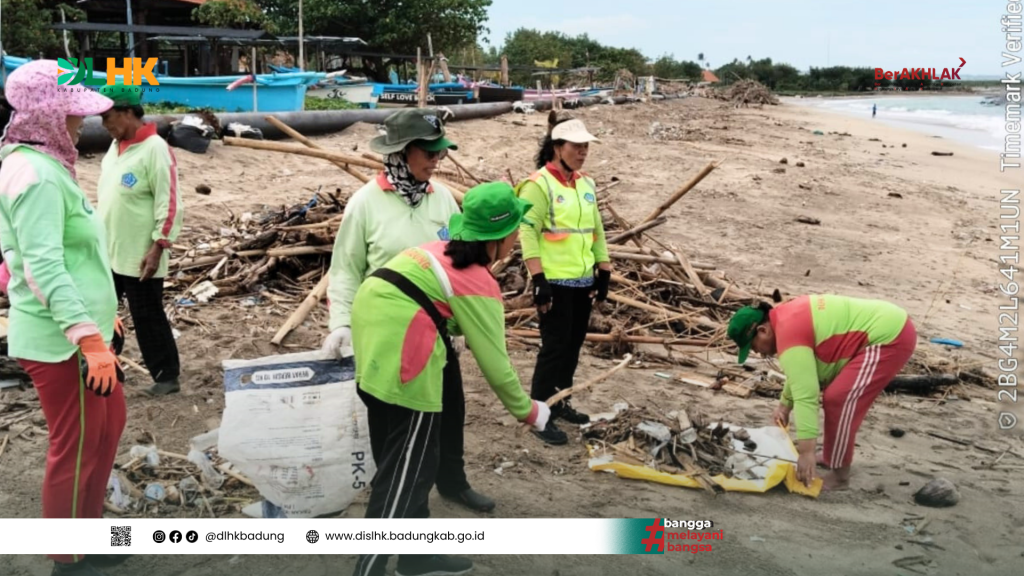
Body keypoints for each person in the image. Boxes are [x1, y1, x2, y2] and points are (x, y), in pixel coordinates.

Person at [349, 182, 550, 576]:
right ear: (501, 235)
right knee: (402, 477)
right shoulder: (478, 281)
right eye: (516, 230)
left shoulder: (435, 251)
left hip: (371, 335)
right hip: (406, 354)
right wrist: (529, 411)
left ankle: (417, 555)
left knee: (408, 462)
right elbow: (496, 364)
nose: (516, 239)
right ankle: (367, 568)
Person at [321, 108, 497, 513]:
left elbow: (460, 262)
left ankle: (453, 481)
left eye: (440, 151)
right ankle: (399, 497)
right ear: (402, 152)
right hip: (387, 335)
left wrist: (463, 323)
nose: (437, 159)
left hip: (436, 332)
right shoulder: (366, 203)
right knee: (391, 422)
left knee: (450, 411)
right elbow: (345, 270)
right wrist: (341, 324)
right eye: (429, 151)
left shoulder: (443, 202)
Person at [0, 59, 127, 576]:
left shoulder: (48, 165)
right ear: (49, 117)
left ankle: (88, 534)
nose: (82, 124)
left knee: (107, 428)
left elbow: (73, 259)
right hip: (61, 341)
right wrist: (87, 338)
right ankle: (67, 558)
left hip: (86, 330)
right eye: (73, 115)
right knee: (75, 446)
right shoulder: (36, 175)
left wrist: (105, 318)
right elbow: (42, 266)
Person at [727, 294, 917, 491]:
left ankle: (840, 476)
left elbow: (806, 394)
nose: (759, 353)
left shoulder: (787, 333)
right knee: (836, 396)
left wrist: (806, 452)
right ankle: (830, 456)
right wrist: (784, 405)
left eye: (753, 346)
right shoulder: (784, 318)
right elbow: (802, 372)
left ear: (763, 330)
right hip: (884, 326)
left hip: (889, 337)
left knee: (839, 400)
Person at [516, 112, 612, 445]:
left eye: (586, 146)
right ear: (557, 147)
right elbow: (527, 231)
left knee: (572, 347)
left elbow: (596, 228)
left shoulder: (586, 184)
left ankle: (562, 402)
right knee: (554, 348)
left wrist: (604, 269)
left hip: (583, 281)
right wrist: (538, 278)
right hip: (554, 281)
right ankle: (541, 414)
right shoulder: (538, 184)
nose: (583, 152)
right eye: (576, 146)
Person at [96, 79, 183, 396]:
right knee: (103, 309)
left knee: (147, 315)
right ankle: (104, 366)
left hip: (141, 252)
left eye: (108, 117)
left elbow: (170, 202)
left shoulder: (156, 149)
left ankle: (166, 376)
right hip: (110, 248)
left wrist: (158, 247)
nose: (104, 124)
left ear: (128, 113)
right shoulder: (114, 147)